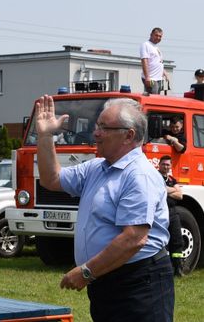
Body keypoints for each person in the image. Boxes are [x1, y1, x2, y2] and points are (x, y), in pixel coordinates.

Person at [35, 96, 173, 322]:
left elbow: (134, 239)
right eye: (96, 126)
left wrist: (87, 271)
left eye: (104, 128)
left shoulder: (138, 175)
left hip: (138, 283)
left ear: (129, 135)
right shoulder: (96, 168)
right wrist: (45, 135)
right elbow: (51, 179)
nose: (96, 133)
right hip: (108, 280)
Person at [158, 155, 184, 277]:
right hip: (161, 213)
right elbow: (161, 190)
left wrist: (169, 190)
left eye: (168, 164)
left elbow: (180, 196)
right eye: (163, 164)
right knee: (164, 241)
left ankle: (178, 268)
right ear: (159, 165)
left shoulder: (172, 179)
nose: (166, 166)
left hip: (173, 213)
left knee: (177, 240)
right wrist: (173, 190)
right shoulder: (156, 177)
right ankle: (165, 269)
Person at [140, 27, 168, 94]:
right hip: (151, 79)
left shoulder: (156, 47)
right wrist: (147, 77)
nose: (158, 38)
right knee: (153, 96)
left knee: (157, 97)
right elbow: (144, 61)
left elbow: (158, 62)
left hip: (158, 78)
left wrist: (164, 72)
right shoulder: (146, 45)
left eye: (160, 36)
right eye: (156, 35)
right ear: (151, 34)